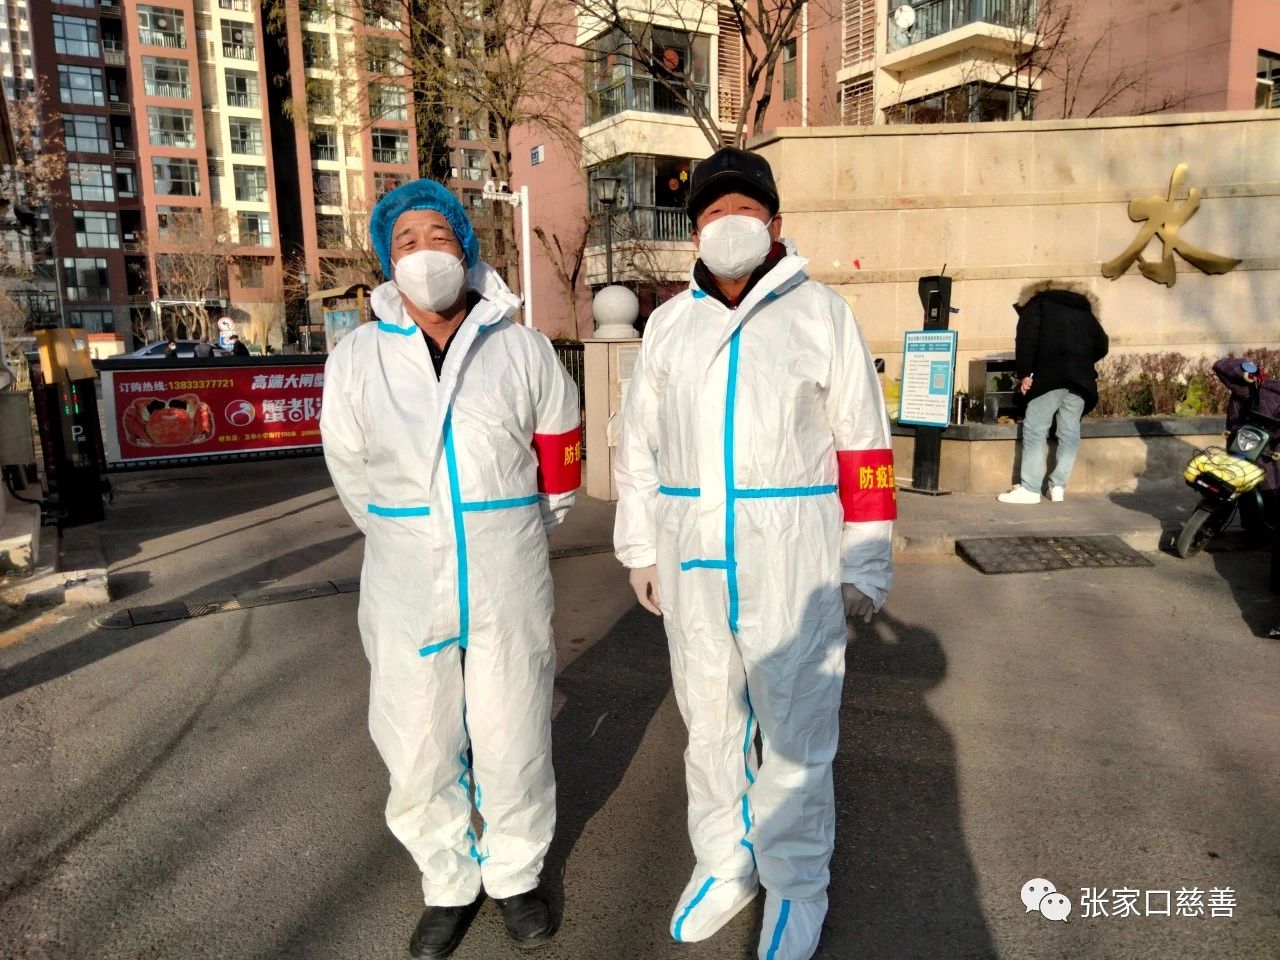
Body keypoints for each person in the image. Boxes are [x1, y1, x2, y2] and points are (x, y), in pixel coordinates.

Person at [613, 147, 895, 960]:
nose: (728, 223)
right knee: (708, 721)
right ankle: (724, 862)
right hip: (692, 554)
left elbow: (864, 446)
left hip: (791, 557)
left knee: (797, 727)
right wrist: (640, 547)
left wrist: (864, 560)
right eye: (712, 213)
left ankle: (798, 883)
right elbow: (636, 447)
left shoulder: (822, 315)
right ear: (693, 232)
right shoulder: (670, 326)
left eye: (744, 209)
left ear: (775, 223)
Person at [320, 178, 580, 959]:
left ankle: (515, 873)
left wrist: (514, 530)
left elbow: (559, 452)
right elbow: (349, 467)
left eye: (438, 237)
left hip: (507, 567)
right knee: (414, 734)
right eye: (406, 241)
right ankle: (447, 881)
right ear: (386, 261)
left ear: (465, 249)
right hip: (403, 574)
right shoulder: (359, 357)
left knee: (513, 726)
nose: (424, 253)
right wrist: (409, 532)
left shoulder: (520, 347)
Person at [997, 281, 1108, 504]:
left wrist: (1025, 373)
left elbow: (1026, 339)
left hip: (1050, 376)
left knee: (1035, 428)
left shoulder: (1037, 305)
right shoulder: (1084, 310)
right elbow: (1102, 345)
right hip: (1081, 380)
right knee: (1069, 431)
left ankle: (1030, 489)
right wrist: (1081, 359)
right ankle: (1058, 487)